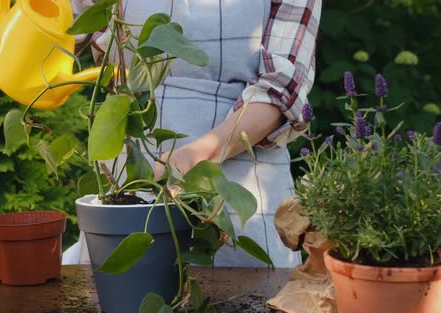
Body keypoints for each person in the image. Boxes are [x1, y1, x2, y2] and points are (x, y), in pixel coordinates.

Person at [64, 0, 322, 268]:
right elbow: (55, 29)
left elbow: (280, 91)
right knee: (117, 293)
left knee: (243, 297)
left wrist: (194, 155)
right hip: (131, 169)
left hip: (237, 178)